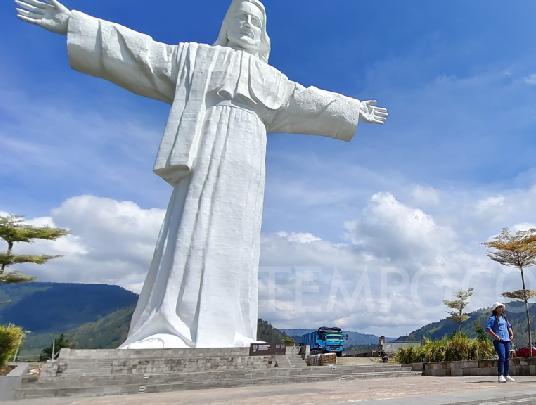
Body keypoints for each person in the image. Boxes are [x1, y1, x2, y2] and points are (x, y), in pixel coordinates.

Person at [15, 0, 387, 349]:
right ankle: (171, 326)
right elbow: (142, 52)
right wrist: (76, 24)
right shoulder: (196, 57)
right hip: (205, 148)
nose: (248, 24)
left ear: (263, 34)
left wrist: (353, 108)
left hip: (248, 156)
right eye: (240, 17)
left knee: (239, 241)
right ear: (226, 26)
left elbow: (311, 99)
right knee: (191, 228)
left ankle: (234, 329)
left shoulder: (273, 80)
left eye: (256, 21)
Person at [486, 302, 515, 383]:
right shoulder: (492, 318)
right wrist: (495, 336)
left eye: (502, 307)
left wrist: (511, 334)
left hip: (507, 340)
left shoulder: (504, 317)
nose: (501, 308)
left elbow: (508, 326)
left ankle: (506, 375)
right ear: (495, 309)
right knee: (502, 357)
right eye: (499, 307)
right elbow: (488, 329)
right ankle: (500, 375)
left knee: (507, 358)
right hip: (498, 341)